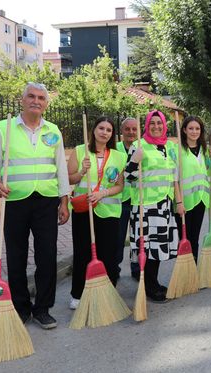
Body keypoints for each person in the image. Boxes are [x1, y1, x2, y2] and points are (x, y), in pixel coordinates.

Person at [0, 82, 70, 329]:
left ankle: (43, 308)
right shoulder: (4, 128)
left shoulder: (53, 131)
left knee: (47, 255)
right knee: (16, 256)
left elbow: (61, 169)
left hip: (46, 201)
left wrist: (64, 201)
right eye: (31, 96)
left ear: (46, 104)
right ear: (22, 100)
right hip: (15, 201)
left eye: (41, 98)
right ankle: (21, 308)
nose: (36, 101)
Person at [67, 117, 126, 310]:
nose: (104, 132)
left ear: (112, 134)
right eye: (101, 128)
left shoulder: (118, 156)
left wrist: (103, 193)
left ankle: (108, 292)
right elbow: (69, 179)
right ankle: (77, 294)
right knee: (82, 252)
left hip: (109, 211)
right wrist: (82, 171)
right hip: (84, 210)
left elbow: (120, 186)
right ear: (93, 130)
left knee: (108, 254)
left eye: (109, 130)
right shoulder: (79, 151)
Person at [125, 110, 179, 303]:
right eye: (152, 123)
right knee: (145, 247)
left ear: (165, 125)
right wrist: (134, 161)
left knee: (157, 247)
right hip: (145, 206)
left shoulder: (169, 147)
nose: (156, 126)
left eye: (159, 123)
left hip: (163, 204)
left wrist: (177, 201)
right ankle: (148, 285)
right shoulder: (139, 146)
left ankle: (152, 282)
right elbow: (128, 178)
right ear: (147, 126)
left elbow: (174, 177)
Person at [175, 115, 210, 262]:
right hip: (184, 202)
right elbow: (174, 180)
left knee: (194, 237)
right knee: (184, 239)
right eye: (191, 128)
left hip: (201, 199)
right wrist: (179, 203)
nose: (194, 131)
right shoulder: (178, 151)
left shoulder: (205, 150)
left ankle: (192, 270)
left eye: (197, 128)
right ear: (184, 130)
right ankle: (183, 269)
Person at [116, 117, 140, 280]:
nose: (131, 132)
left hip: (138, 200)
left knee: (137, 237)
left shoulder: (142, 148)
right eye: (127, 129)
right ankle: (114, 268)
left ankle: (137, 267)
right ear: (122, 131)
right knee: (117, 238)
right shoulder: (114, 148)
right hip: (120, 201)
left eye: (134, 129)